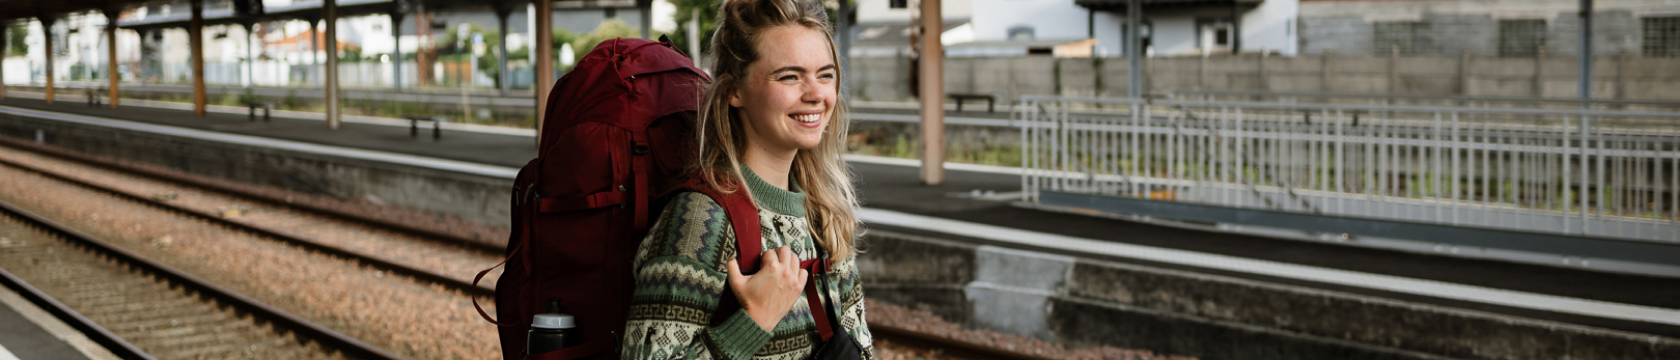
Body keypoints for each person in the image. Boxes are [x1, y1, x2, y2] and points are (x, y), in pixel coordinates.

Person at [619, 0, 873, 358]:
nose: (816, 94)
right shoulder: (700, 222)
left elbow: (861, 347)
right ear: (733, 91)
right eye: (789, 76)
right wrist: (754, 320)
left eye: (825, 75)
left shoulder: (823, 215)